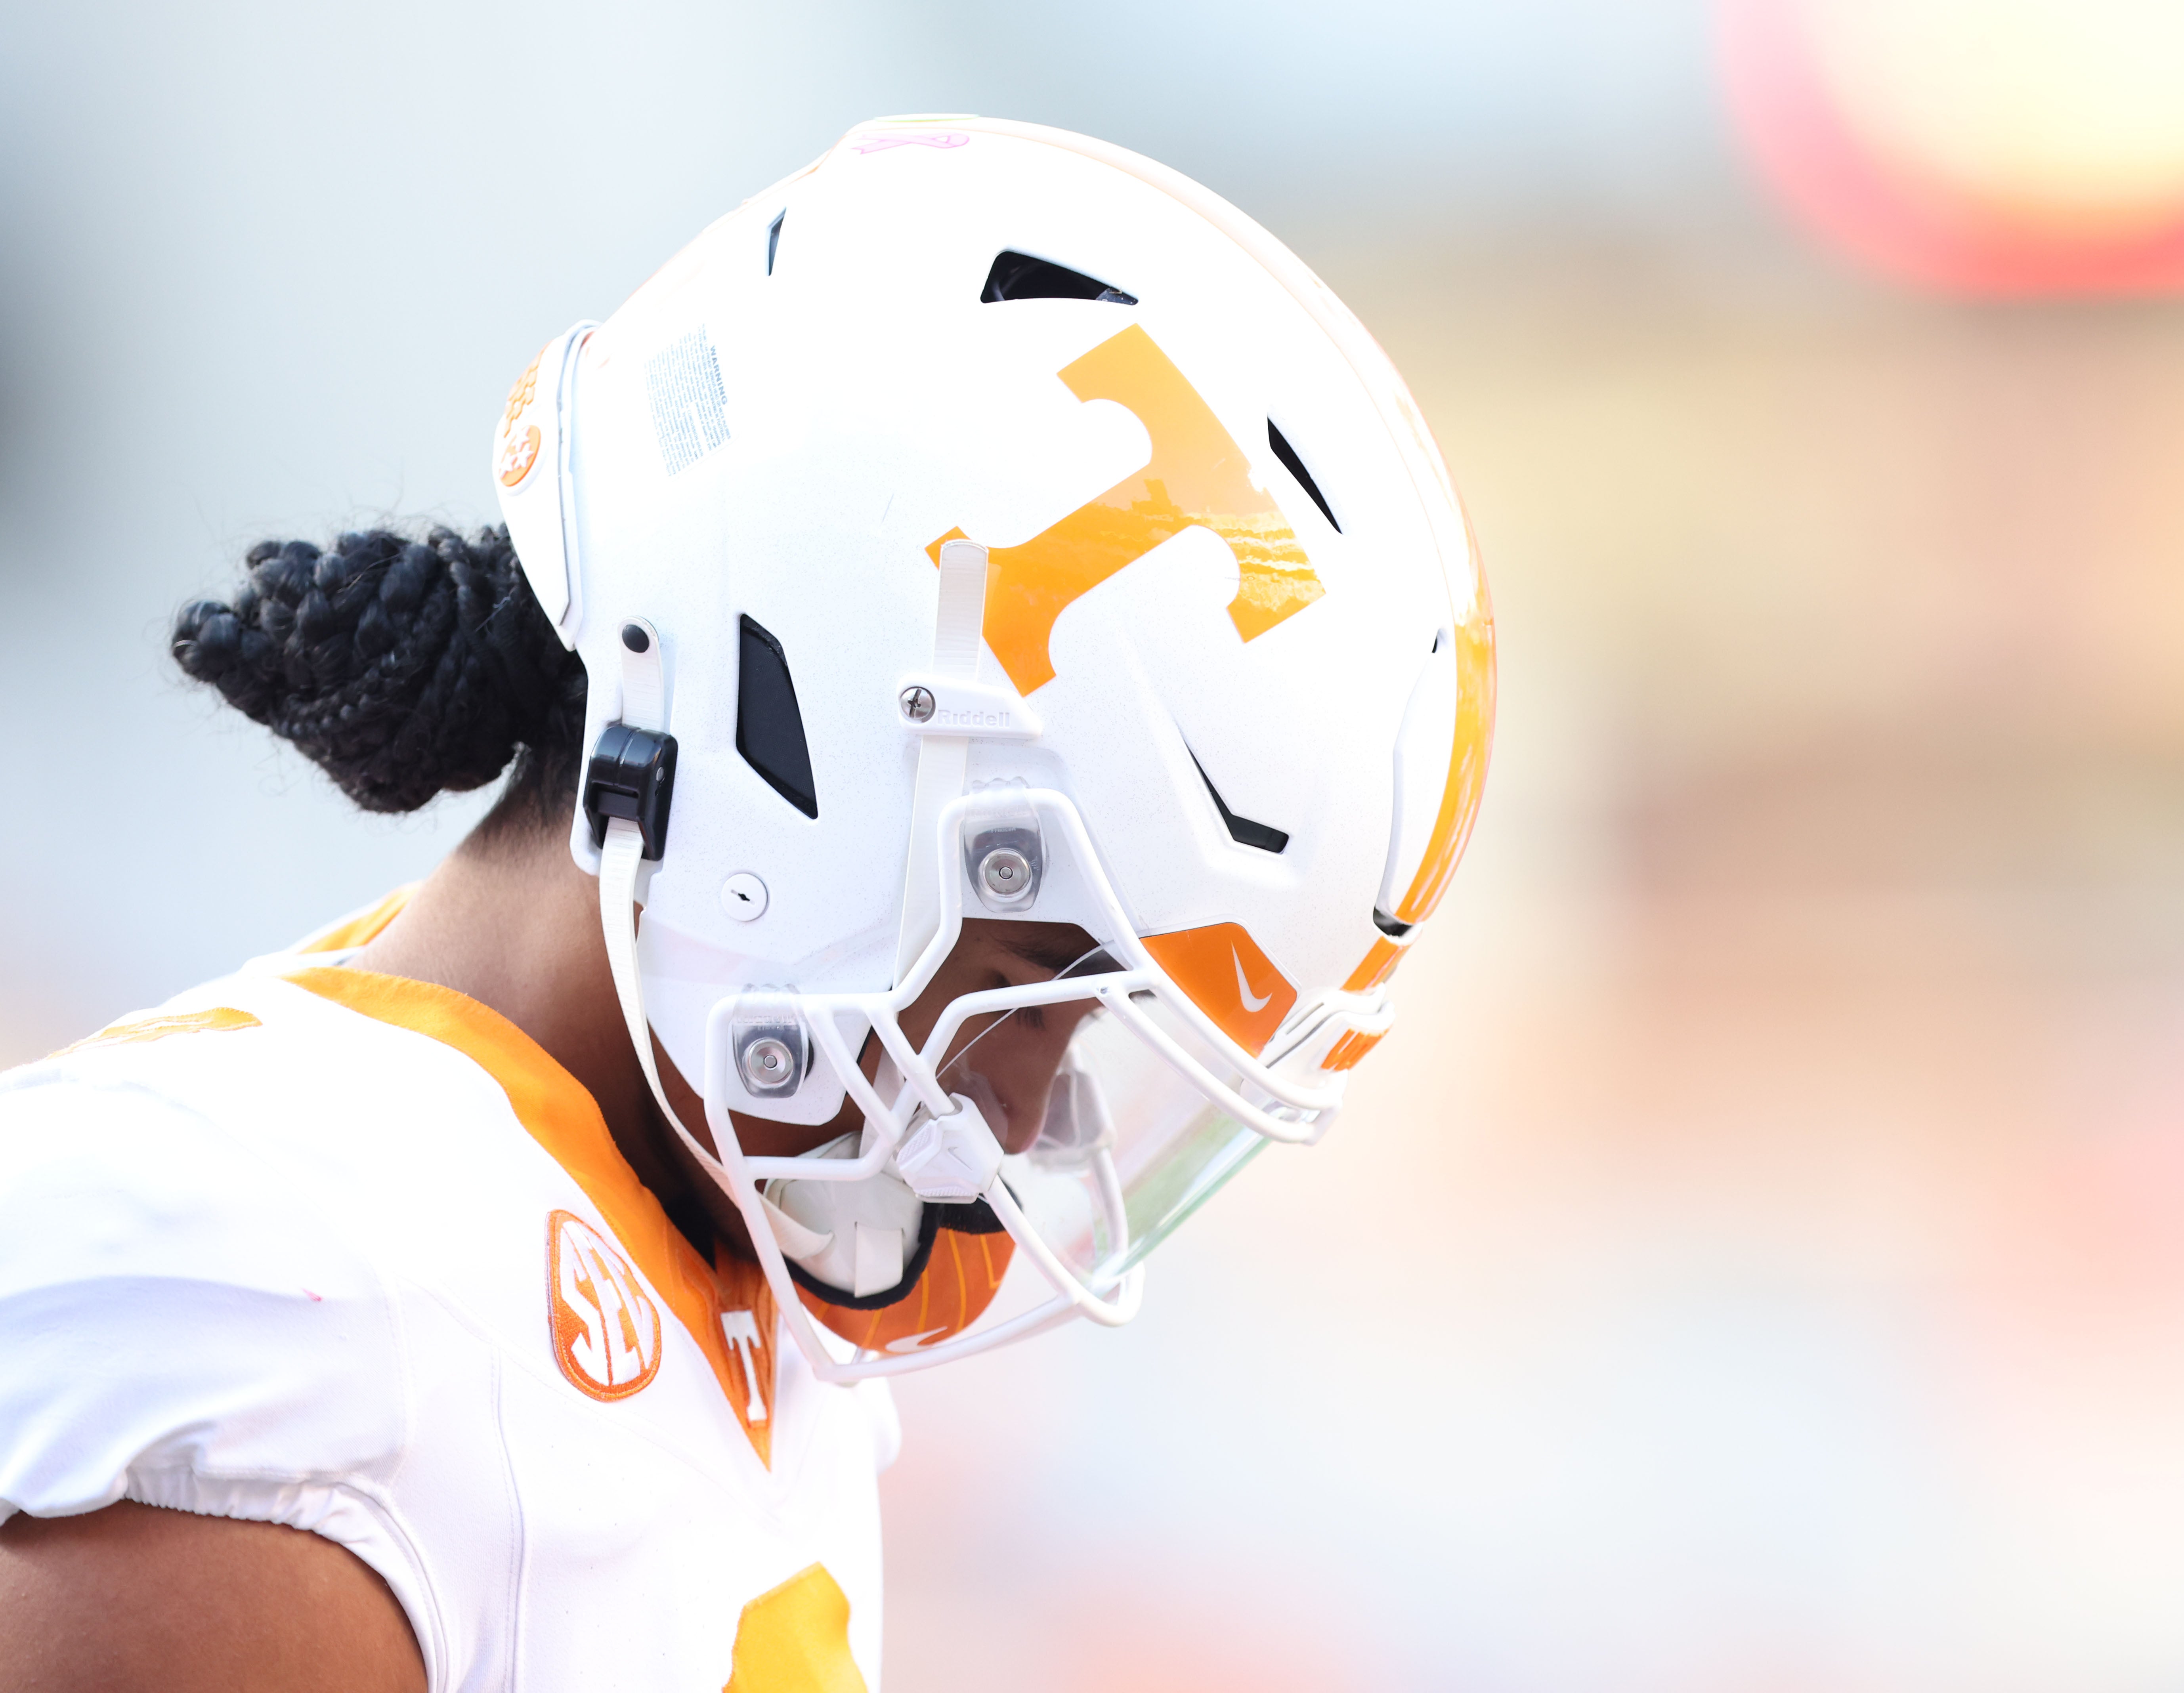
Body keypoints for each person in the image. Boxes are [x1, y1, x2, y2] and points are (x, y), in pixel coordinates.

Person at [0, 115, 1492, 1692]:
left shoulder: (691, 1254)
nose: (1024, 1102)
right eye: (1039, 973)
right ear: (791, 751)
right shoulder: (303, 1325)